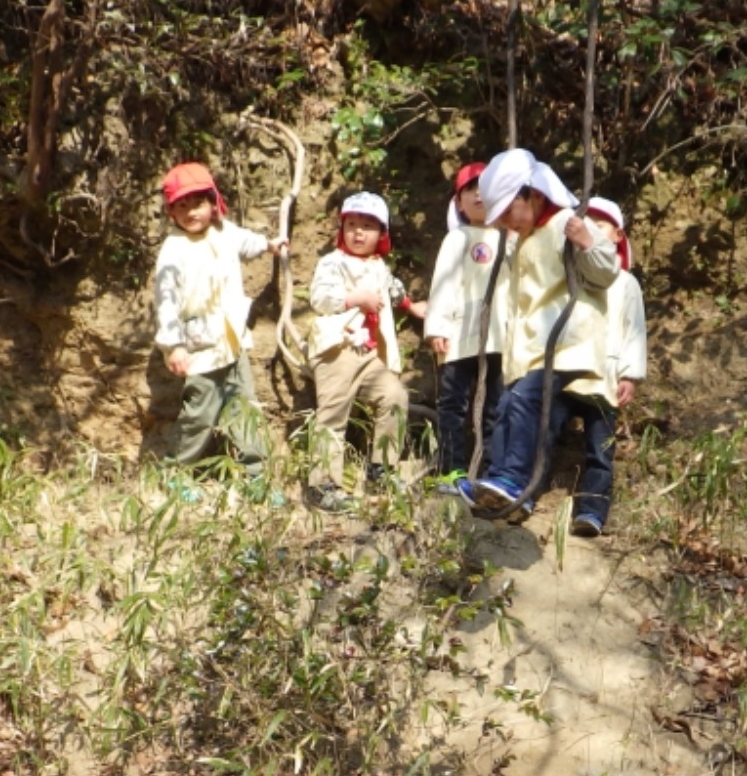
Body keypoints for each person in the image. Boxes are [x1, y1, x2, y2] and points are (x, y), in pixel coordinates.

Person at [464, 149, 620, 524]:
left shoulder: (568, 222)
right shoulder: (522, 239)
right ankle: (498, 482)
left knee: (524, 400)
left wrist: (587, 241)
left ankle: (514, 479)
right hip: (532, 348)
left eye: (505, 213)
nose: (502, 223)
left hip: (567, 343)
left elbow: (607, 273)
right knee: (506, 406)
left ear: (530, 195)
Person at [151, 161, 286, 490]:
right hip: (200, 349)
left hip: (233, 342)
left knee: (245, 410)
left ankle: (257, 480)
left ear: (213, 203)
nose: (190, 212)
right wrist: (174, 345)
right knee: (199, 415)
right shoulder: (174, 250)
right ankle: (176, 478)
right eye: (181, 206)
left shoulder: (224, 232)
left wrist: (269, 245)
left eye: (196, 203)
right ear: (171, 212)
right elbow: (166, 301)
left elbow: (246, 243)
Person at [305, 191, 417, 513]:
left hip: (371, 354)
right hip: (337, 348)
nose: (357, 232)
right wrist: (355, 298)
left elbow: (393, 291)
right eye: (351, 224)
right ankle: (322, 485)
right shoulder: (333, 262)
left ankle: (382, 469)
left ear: (381, 234)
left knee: (394, 396)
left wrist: (412, 306)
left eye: (366, 226)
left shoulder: (379, 266)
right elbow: (320, 298)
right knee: (333, 414)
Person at [553, 196, 647, 537]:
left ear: (619, 235)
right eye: (586, 222)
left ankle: (592, 511)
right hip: (567, 369)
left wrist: (630, 375)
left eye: (600, 224)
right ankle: (529, 492)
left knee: (599, 448)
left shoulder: (626, 283)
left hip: (604, 377)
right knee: (544, 431)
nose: (592, 228)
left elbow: (633, 331)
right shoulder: (567, 275)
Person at [422, 162, 504, 488]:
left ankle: (489, 474)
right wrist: (438, 326)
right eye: (471, 190)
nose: (479, 195)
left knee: (495, 407)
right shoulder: (458, 238)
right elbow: (444, 283)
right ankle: (451, 468)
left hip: (498, 337)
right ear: (459, 202)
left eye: (486, 189)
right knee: (453, 403)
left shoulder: (509, 239)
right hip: (459, 334)